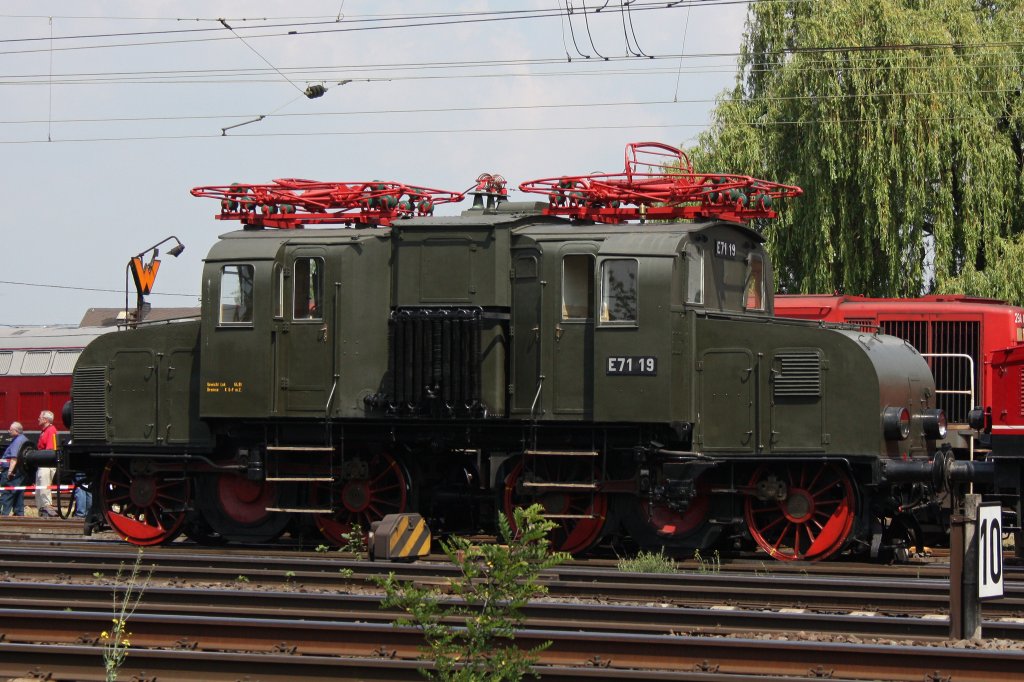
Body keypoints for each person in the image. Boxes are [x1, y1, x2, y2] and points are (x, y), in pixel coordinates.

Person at [0, 422, 28, 516]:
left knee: (6, 493)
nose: (8, 431)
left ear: (16, 431)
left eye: (10, 430)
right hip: (21, 472)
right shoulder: (24, 439)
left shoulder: (17, 441)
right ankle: (19, 514)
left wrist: (10, 472)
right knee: (18, 493)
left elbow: (14, 458)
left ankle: (4, 515)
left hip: (12, 472)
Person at [35, 410, 58, 517]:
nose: (38, 419)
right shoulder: (44, 431)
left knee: (44, 487)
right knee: (40, 488)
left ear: (45, 419)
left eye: (40, 417)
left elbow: (50, 449)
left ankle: (47, 508)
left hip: (46, 465)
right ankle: (41, 508)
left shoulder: (51, 430)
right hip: (42, 464)